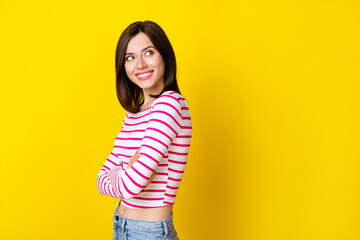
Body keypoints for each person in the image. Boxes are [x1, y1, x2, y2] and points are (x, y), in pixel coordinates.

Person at [97, 20, 192, 240]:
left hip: (148, 233)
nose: (139, 65)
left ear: (164, 56)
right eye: (130, 57)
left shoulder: (169, 105)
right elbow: (100, 179)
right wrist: (121, 174)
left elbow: (132, 186)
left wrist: (119, 175)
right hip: (121, 227)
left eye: (148, 53)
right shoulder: (134, 114)